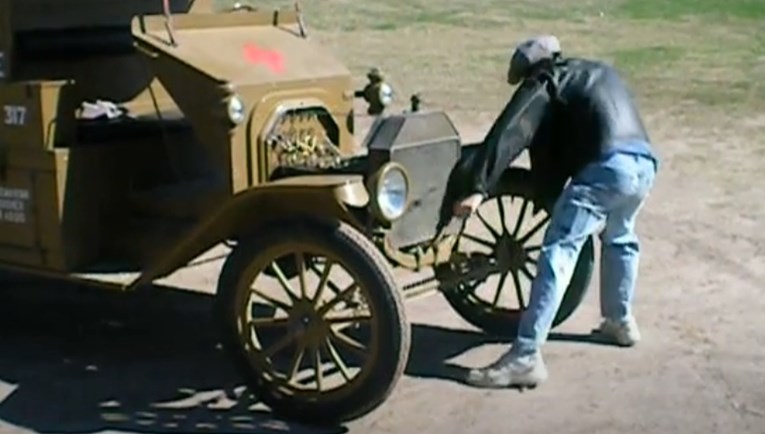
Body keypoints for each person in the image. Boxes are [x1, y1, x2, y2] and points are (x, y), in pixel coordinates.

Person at [450, 35, 659, 388]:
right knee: (620, 237)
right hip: (643, 163)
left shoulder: (547, 81)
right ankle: (619, 322)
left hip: (607, 168)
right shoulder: (596, 70)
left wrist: (478, 186)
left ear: (533, 69)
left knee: (558, 252)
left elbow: (512, 131)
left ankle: (525, 355)